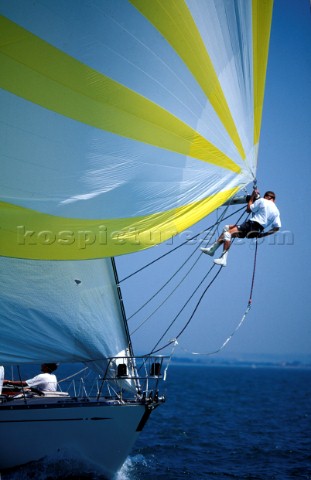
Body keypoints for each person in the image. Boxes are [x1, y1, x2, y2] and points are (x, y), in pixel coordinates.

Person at [201, 190, 281, 267]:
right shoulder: (276, 211)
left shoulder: (262, 200)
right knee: (227, 228)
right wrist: (263, 235)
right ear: (274, 199)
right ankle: (212, 250)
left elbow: (248, 209)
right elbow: (277, 228)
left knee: (227, 234)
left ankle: (223, 259)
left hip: (251, 225)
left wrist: (252, 196)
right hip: (257, 230)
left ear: (267, 197)